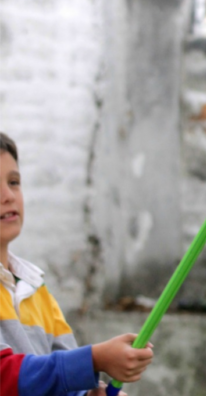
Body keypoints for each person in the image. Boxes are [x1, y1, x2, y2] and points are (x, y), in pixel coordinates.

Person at [0, 132, 154, 396]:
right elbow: (5, 377)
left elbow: (63, 384)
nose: (7, 195)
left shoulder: (36, 288)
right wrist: (94, 359)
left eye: (14, 182)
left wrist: (90, 394)